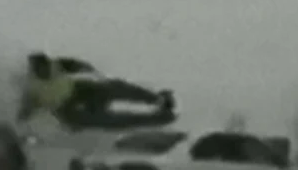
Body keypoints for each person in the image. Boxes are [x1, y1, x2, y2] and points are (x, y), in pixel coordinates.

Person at [16, 52, 177, 131]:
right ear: (34, 71)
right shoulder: (32, 86)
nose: (46, 72)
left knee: (114, 88)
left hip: (79, 90)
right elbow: (27, 108)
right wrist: (24, 116)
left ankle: (157, 100)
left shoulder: (56, 64)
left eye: (46, 67)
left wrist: (87, 67)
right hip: (67, 109)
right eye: (41, 70)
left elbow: (76, 64)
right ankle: (154, 119)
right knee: (108, 119)